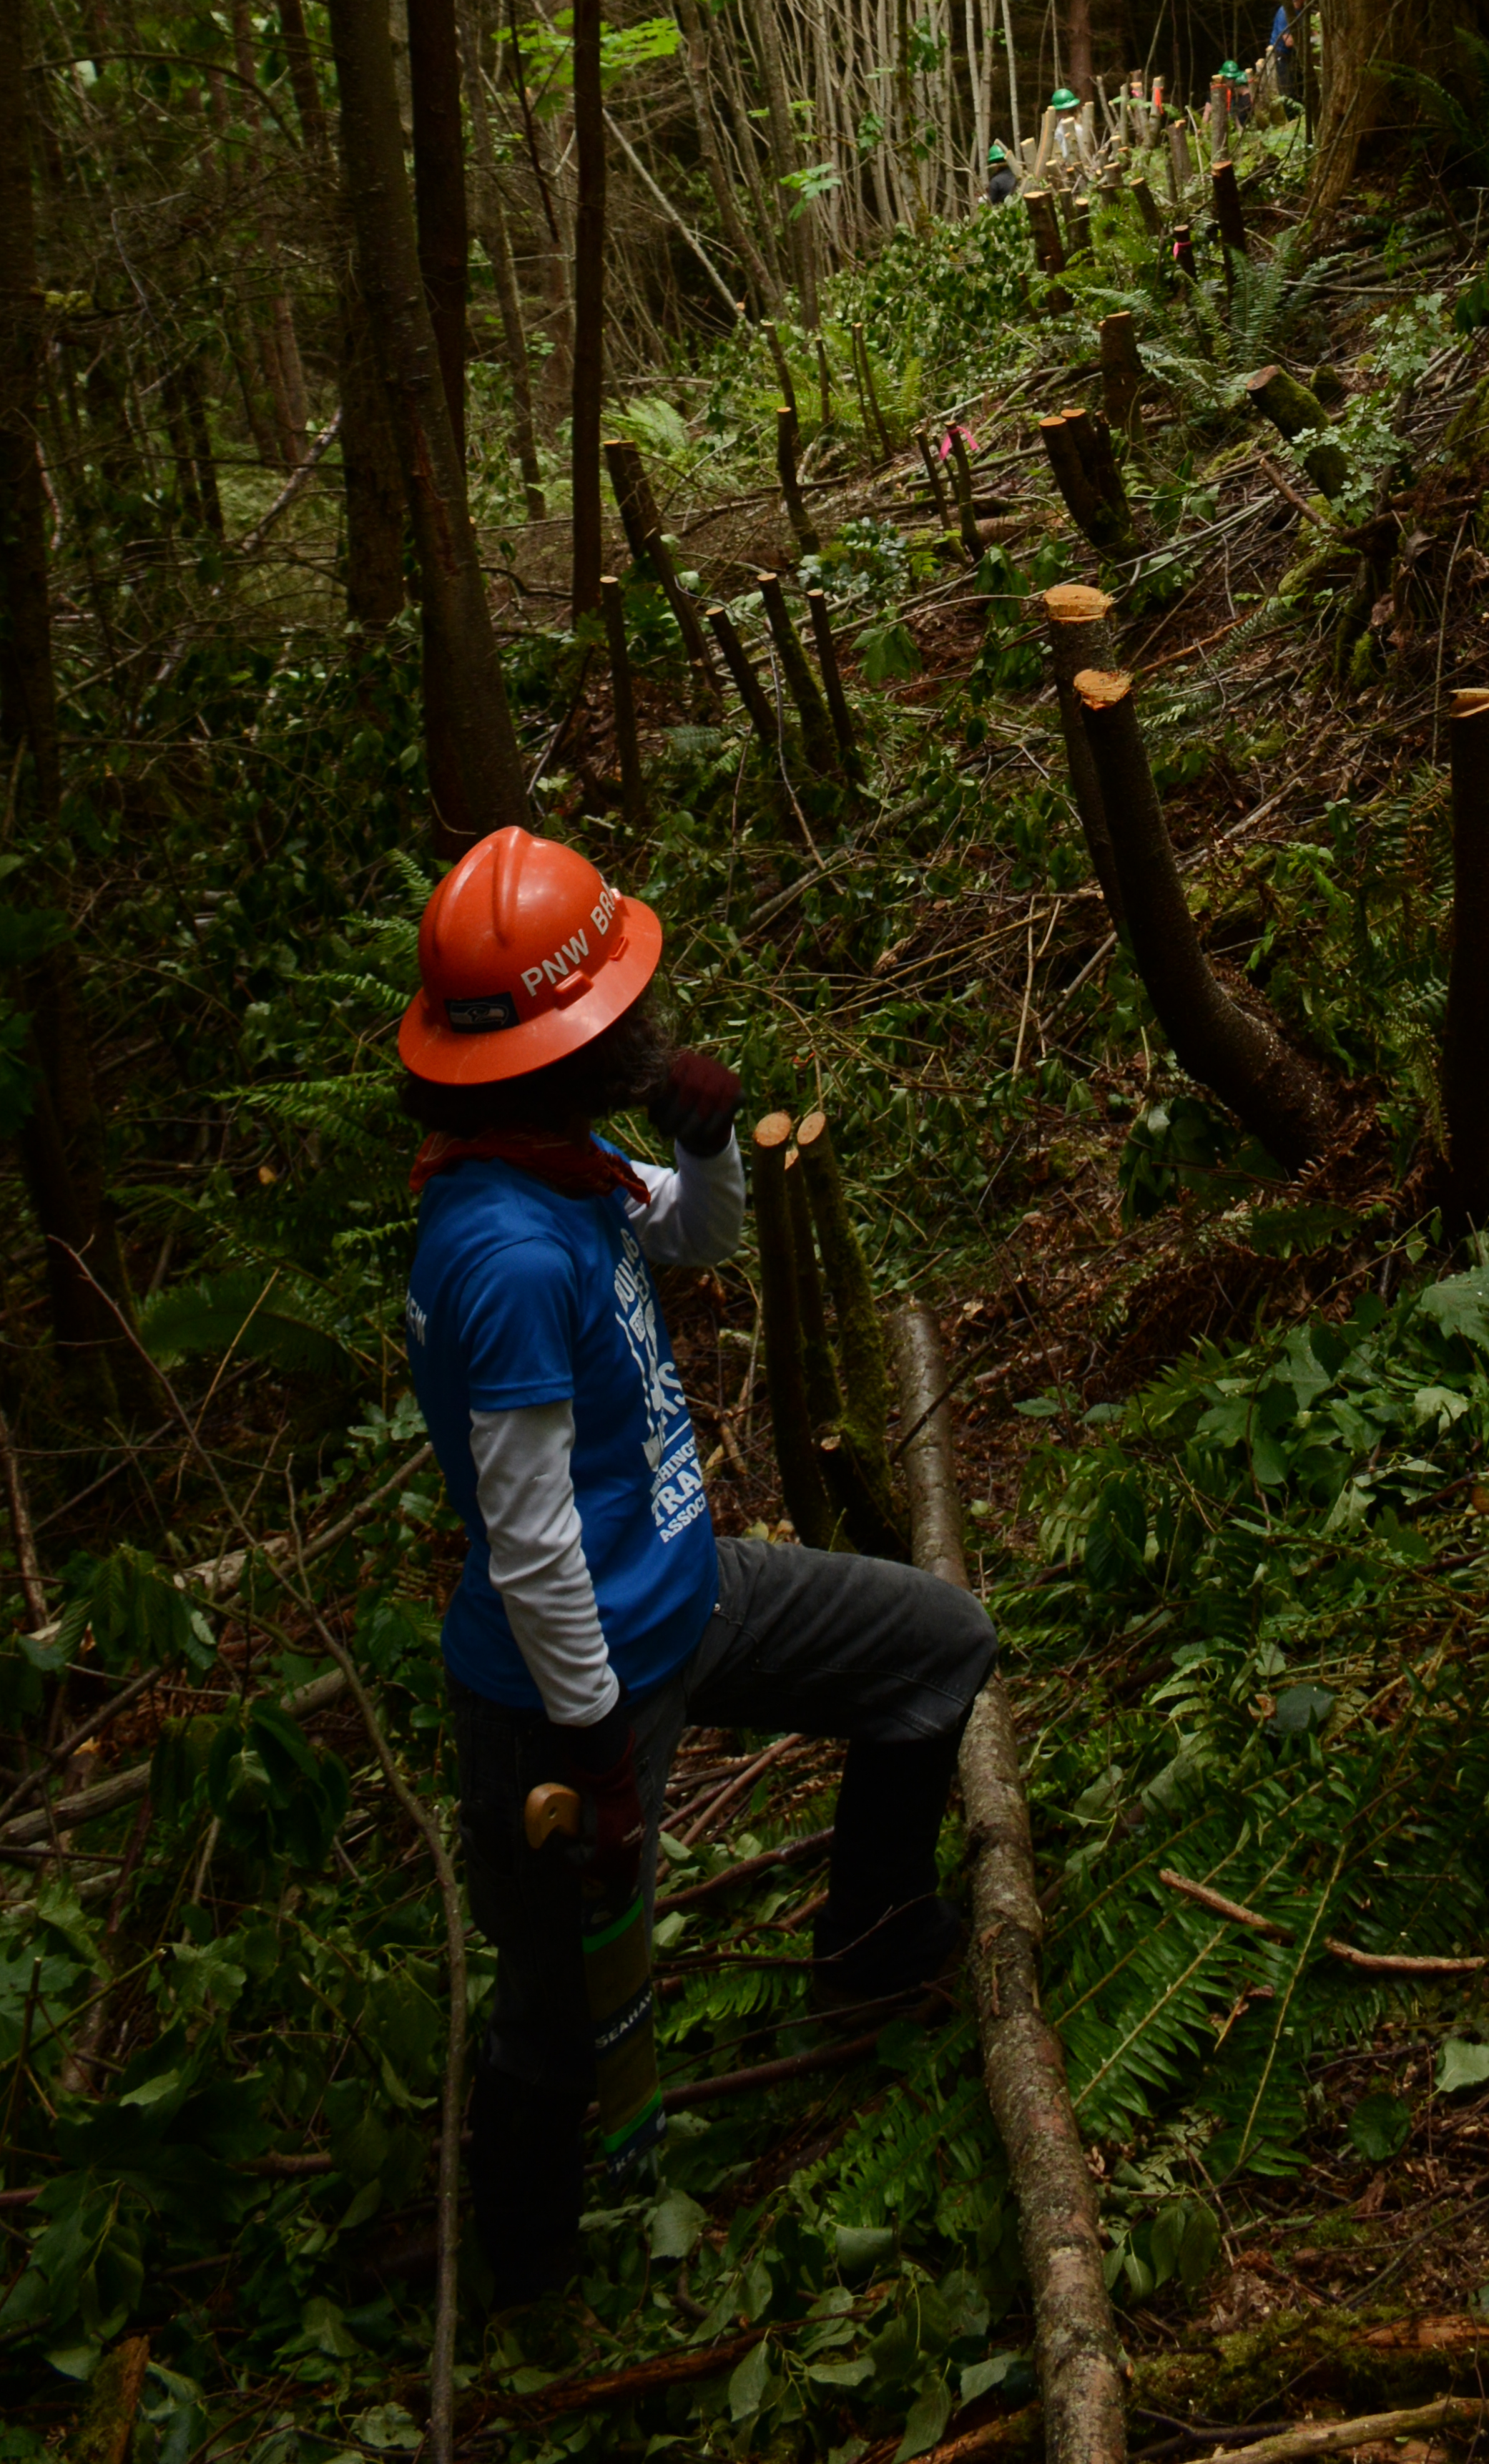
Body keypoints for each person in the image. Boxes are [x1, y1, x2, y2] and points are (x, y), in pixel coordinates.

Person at [399, 825, 996, 2305]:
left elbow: (701, 1243)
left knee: (933, 1652)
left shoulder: (561, 1171)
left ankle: (867, 1941)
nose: (643, 1027)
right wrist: (597, 1741)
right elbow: (528, 1542)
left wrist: (705, 1144)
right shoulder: (505, 1250)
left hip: (686, 1595)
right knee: (551, 2016)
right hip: (565, 1694)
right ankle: (522, 2299)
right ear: (558, 1039)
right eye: (615, 1012)